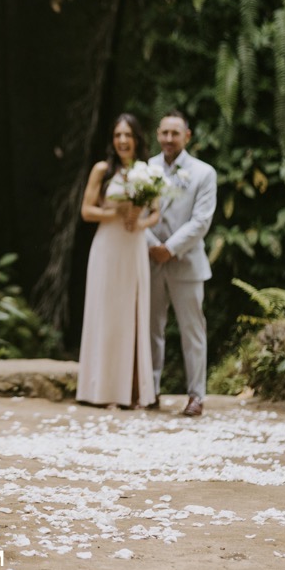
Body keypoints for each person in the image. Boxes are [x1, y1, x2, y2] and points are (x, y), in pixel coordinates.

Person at [75, 113, 160, 410]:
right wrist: (117, 213)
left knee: (133, 313)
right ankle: (103, 390)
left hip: (134, 246)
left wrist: (140, 221)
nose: (122, 141)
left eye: (128, 135)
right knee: (107, 313)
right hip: (107, 248)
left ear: (137, 139)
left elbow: (156, 213)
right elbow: (87, 211)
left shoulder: (148, 172)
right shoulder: (102, 170)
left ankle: (133, 392)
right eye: (117, 135)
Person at [147, 110, 217, 417]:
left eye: (175, 133)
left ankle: (196, 396)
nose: (169, 138)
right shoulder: (146, 169)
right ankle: (150, 391)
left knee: (192, 331)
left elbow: (201, 221)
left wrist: (170, 248)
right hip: (150, 262)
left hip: (186, 263)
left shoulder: (204, 173)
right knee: (151, 329)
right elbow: (137, 213)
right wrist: (153, 246)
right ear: (157, 134)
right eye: (164, 133)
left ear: (187, 136)